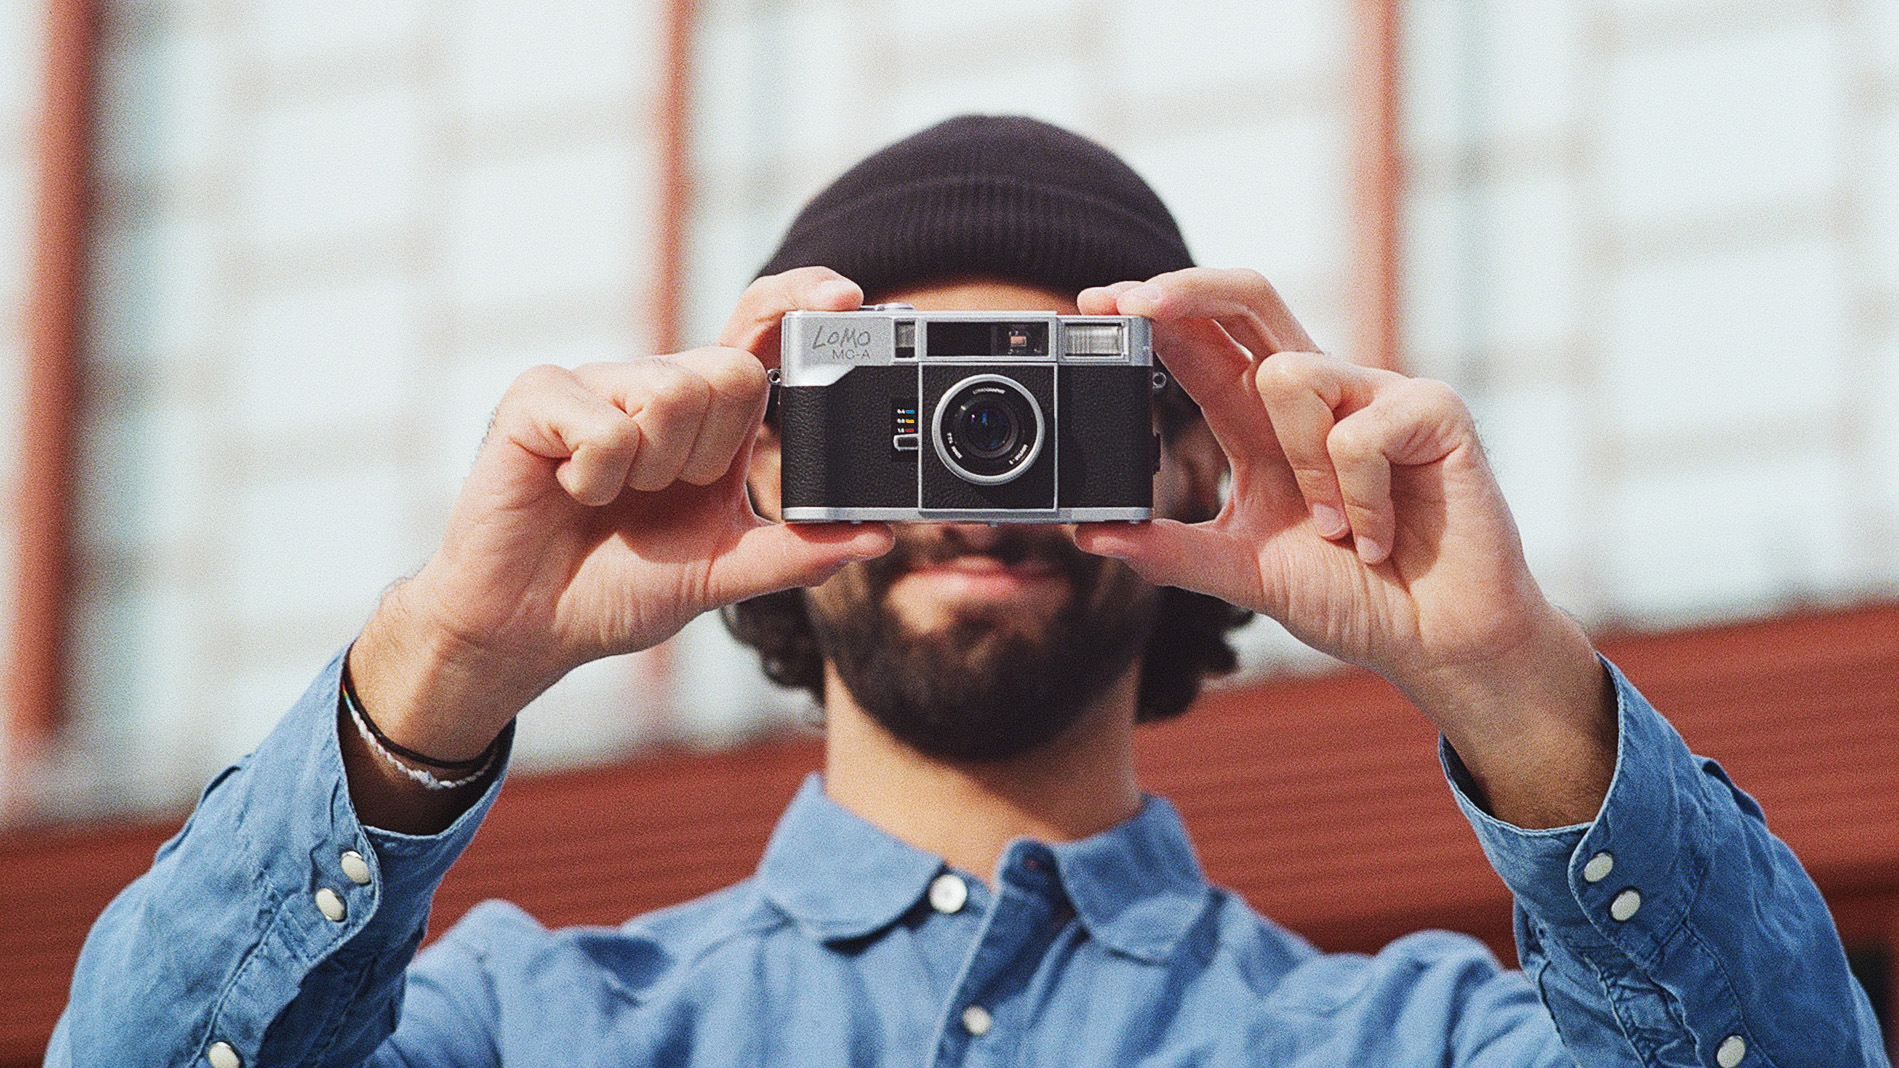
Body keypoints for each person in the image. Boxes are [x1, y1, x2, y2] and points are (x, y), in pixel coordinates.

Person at [49, 116, 1887, 1067]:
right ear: (755, 458)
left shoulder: (1401, 1038)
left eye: (1048, 423)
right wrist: (439, 659)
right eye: (904, 421)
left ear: (1195, 462)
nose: (981, 484)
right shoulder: (528, 1028)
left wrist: (1512, 681)